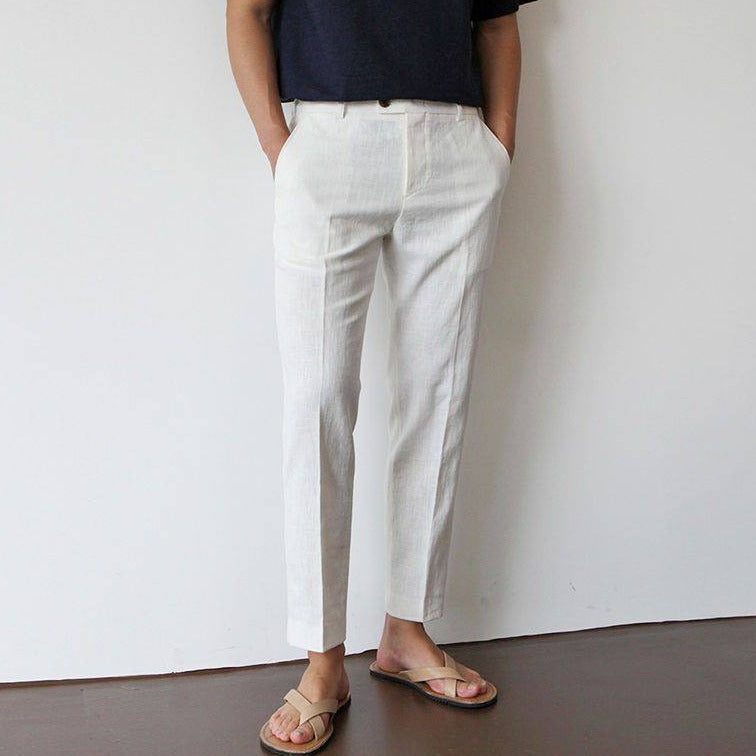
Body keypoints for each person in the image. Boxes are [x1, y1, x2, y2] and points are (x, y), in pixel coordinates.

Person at [226, 0, 538, 751]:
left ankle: (407, 631)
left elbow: (497, 24)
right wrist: (280, 147)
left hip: (454, 146)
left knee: (439, 393)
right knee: (319, 402)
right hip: (328, 142)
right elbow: (247, 12)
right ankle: (321, 660)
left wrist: (498, 146)